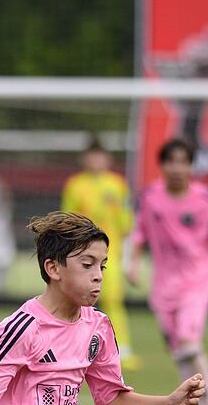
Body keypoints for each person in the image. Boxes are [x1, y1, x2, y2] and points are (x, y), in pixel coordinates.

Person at [0, 211, 206, 404]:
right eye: (87, 264)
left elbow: (111, 398)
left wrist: (169, 402)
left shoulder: (97, 327)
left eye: (101, 266)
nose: (98, 277)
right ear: (53, 269)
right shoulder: (21, 329)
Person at [126, 138, 208, 405]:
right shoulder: (150, 197)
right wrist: (132, 264)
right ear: (161, 165)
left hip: (196, 283)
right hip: (163, 288)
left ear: (191, 167)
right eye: (171, 161)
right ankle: (194, 400)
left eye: (183, 162)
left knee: (190, 343)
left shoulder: (204, 199)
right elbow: (139, 234)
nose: (177, 168)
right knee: (178, 350)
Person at [62, 136, 141, 371]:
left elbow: (126, 222)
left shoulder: (117, 185)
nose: (95, 160)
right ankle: (75, 348)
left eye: (99, 155)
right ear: (84, 159)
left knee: (113, 301)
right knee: (77, 301)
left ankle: (122, 351)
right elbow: (67, 220)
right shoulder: (75, 185)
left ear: (106, 158)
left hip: (110, 256)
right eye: (91, 155)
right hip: (81, 255)